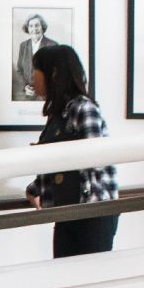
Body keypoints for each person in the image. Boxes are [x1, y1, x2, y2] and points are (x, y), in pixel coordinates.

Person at [22, 45, 120, 258]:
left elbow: (94, 157)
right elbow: (56, 161)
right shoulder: (58, 114)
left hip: (93, 212)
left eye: (35, 70)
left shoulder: (83, 108)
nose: (32, 76)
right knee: (65, 281)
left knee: (88, 283)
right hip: (69, 210)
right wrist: (35, 189)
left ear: (54, 73)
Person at [13, 14, 60, 101]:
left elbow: (58, 72)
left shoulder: (53, 45)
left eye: (37, 25)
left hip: (47, 96)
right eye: (31, 26)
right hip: (28, 94)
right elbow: (19, 70)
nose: (34, 29)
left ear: (42, 27)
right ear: (28, 28)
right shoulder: (23, 45)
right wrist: (25, 86)